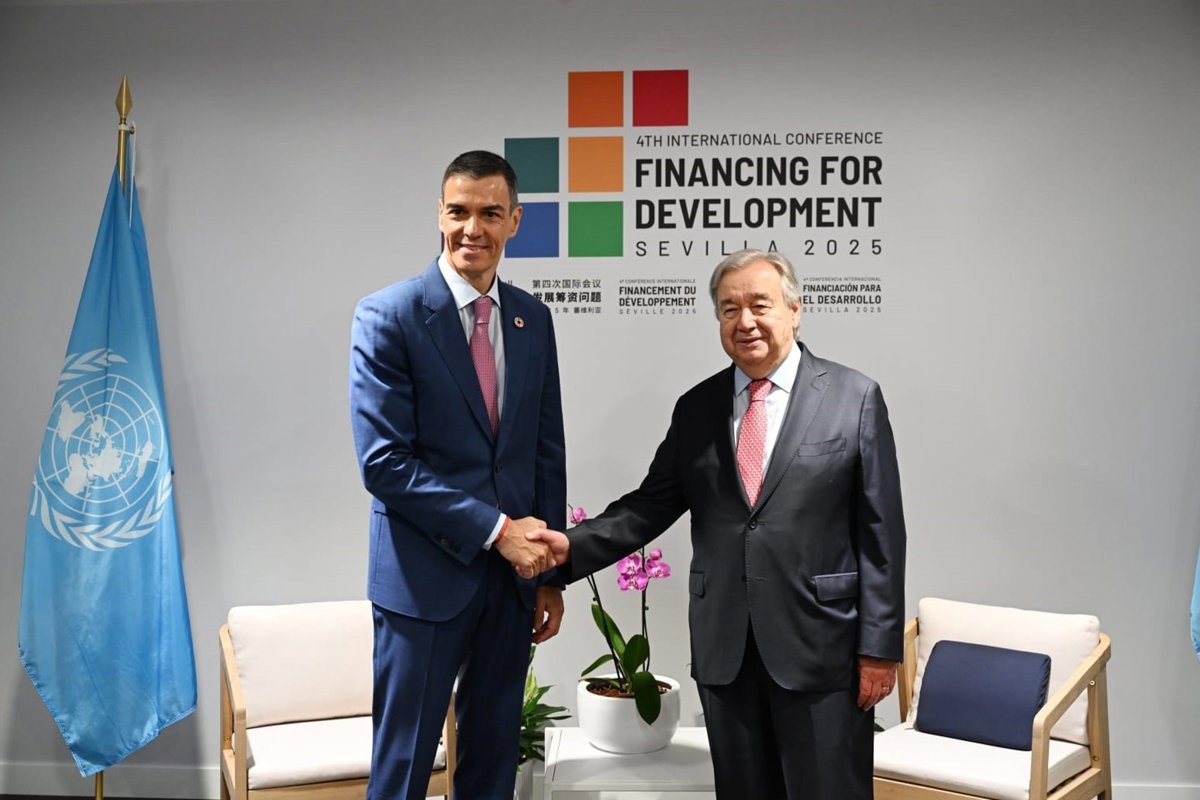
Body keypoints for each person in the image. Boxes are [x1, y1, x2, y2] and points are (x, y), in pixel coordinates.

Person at [535, 249, 906, 799]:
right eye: (729, 309)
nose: (745, 321)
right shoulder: (698, 408)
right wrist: (566, 550)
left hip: (823, 649)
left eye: (760, 304)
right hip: (726, 650)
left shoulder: (854, 398)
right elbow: (649, 506)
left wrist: (879, 647)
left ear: (795, 310)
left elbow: (882, 534)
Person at [349, 150, 566, 800]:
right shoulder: (388, 315)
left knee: (492, 768)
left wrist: (549, 574)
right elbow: (384, 464)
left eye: (490, 213)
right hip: (423, 583)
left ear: (515, 221)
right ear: (440, 217)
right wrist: (498, 530)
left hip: (512, 586)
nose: (473, 228)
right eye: (459, 212)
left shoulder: (533, 319)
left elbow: (544, 451)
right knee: (403, 771)